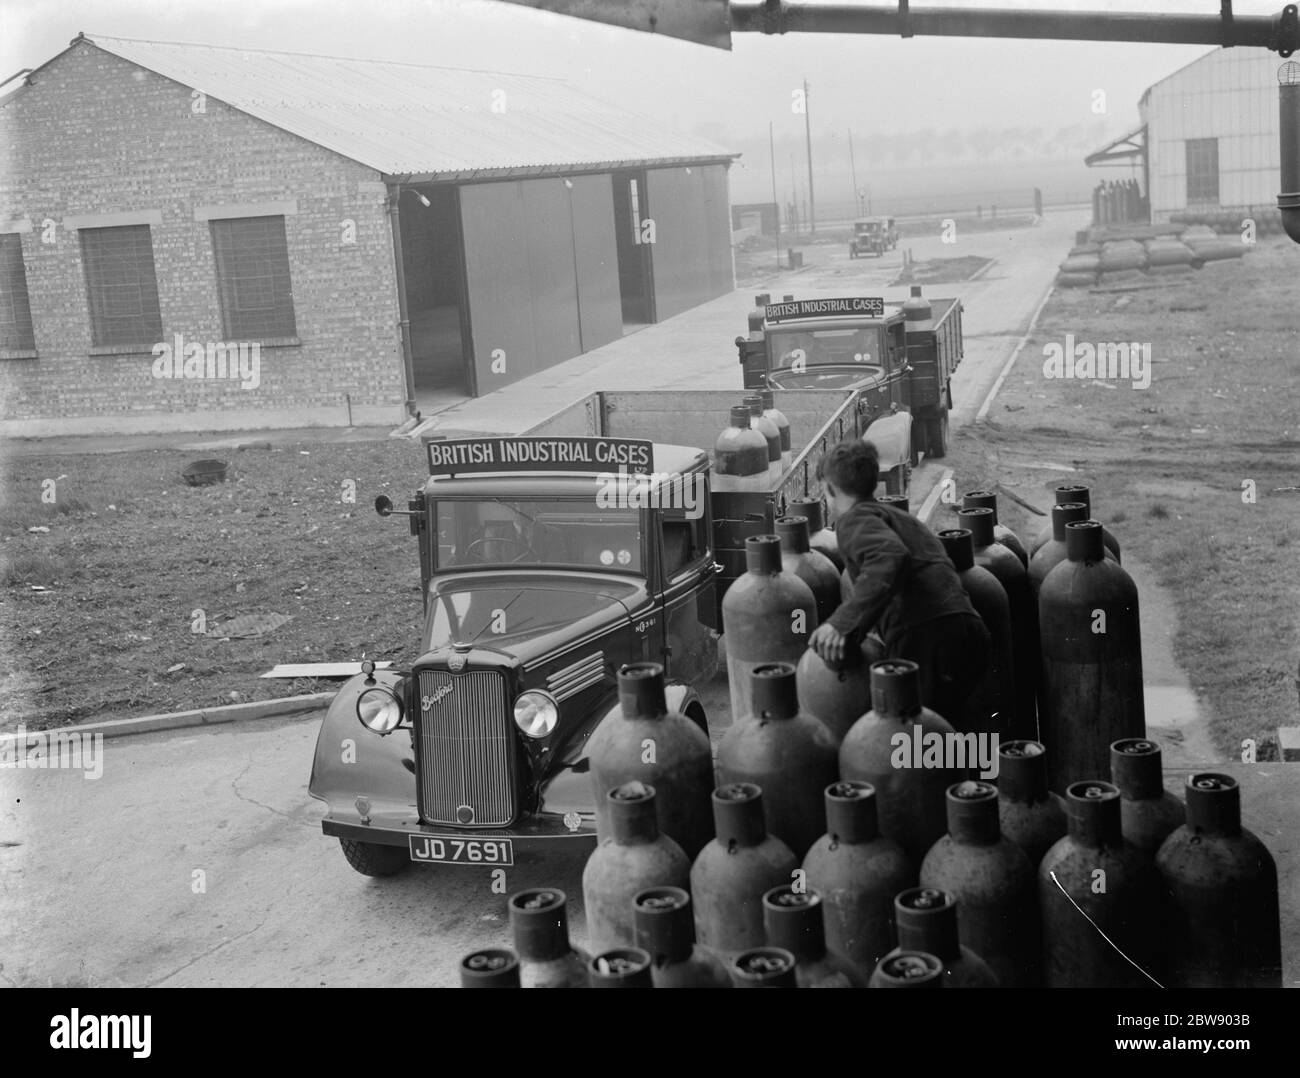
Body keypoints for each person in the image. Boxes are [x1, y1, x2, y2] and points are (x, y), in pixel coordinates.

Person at [807, 438, 994, 732]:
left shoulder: (854, 520)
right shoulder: (900, 518)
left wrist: (841, 623)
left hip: (928, 639)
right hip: (967, 630)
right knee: (949, 734)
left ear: (831, 489)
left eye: (825, 494)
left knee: (918, 743)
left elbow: (889, 558)